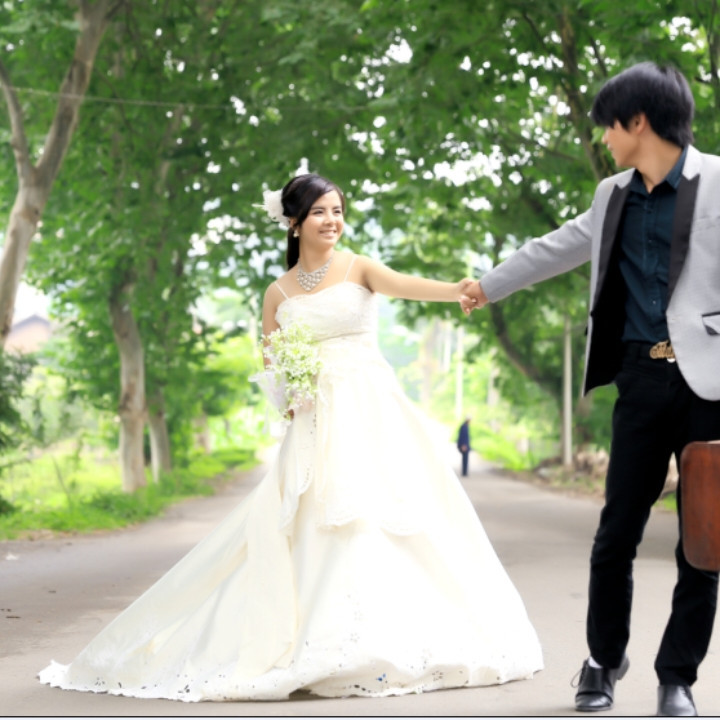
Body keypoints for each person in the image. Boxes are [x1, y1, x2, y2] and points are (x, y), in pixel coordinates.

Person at [38, 172, 542, 702]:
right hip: (316, 421)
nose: (332, 221)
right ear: (295, 222)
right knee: (315, 520)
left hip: (373, 409)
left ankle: (386, 639)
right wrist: (294, 393)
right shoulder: (277, 293)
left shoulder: (359, 267)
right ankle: (317, 637)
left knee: (385, 512)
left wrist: (463, 291)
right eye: (320, 211)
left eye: (338, 211)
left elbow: (407, 284)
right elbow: (272, 364)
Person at [462, 62, 720, 717]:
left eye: (610, 124)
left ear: (638, 122)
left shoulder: (718, 181)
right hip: (640, 381)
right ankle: (603, 661)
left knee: (703, 540)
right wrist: (486, 286)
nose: (605, 136)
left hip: (709, 387)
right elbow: (558, 246)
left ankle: (677, 678)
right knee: (614, 536)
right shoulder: (613, 195)